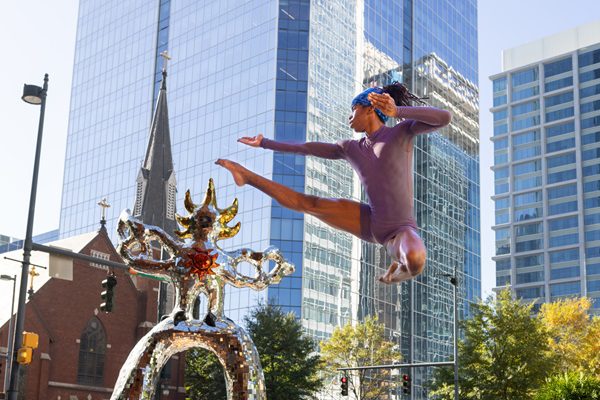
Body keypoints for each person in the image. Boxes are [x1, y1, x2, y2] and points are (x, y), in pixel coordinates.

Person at [216, 82, 451, 283]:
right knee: (311, 204)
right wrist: (265, 143)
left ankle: (396, 273)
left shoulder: (400, 133)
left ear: (370, 109)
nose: (349, 117)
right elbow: (307, 148)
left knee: (416, 260)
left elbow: (444, 118)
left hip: (400, 229)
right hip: (371, 221)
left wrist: (397, 110)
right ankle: (246, 176)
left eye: (353, 110)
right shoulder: (349, 148)